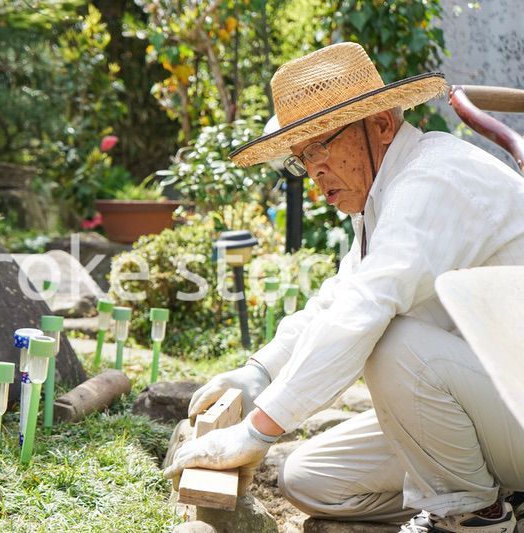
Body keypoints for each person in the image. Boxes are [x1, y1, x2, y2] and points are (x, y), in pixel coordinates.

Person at [163, 42, 524, 533]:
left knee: (392, 343)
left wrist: (256, 430)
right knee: (309, 479)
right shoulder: (382, 198)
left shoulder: (431, 180)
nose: (313, 170)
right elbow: (336, 298)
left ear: (380, 125)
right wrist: (259, 372)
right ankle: (498, 497)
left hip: (516, 402)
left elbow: (362, 309)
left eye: (321, 145)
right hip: (485, 405)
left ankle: (474, 515)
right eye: (301, 157)